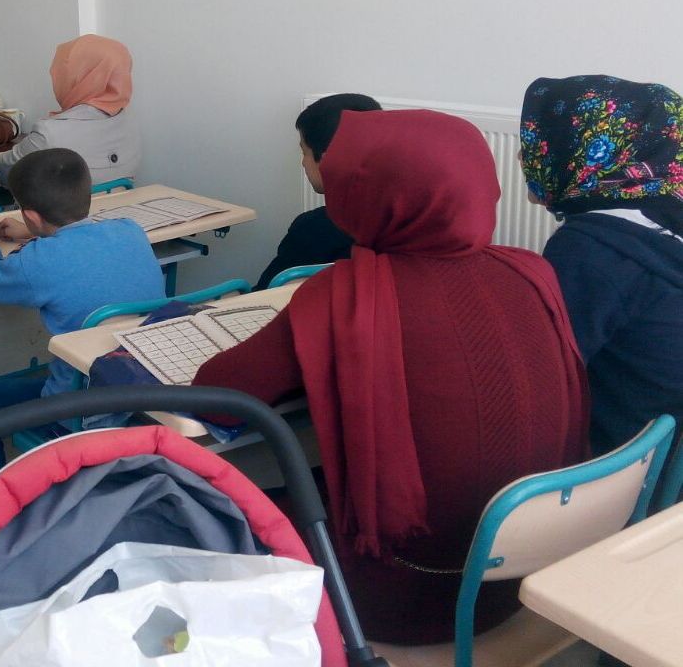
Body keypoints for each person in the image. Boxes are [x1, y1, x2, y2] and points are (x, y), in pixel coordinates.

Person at [193, 109, 588, 645]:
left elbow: (216, 398)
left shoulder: (345, 296)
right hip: (529, 576)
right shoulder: (531, 272)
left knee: (208, 505)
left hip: (408, 596)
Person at [0, 147, 165, 492]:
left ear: (31, 215)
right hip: (140, 388)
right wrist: (34, 234)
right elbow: (79, 247)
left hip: (77, 409)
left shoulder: (38, 262)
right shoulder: (130, 231)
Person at [520, 75, 683, 455]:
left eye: (542, 142)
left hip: (613, 466)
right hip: (665, 460)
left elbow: (538, 378)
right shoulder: (664, 218)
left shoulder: (589, 248)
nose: (523, 159)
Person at [255, 93, 382, 290]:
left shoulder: (313, 228)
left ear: (327, 161)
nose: (303, 163)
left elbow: (265, 292)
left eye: (304, 152)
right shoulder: (411, 223)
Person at [0, 35, 140, 187]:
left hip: (66, 204)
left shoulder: (50, 133)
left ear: (75, 77)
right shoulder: (129, 122)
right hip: (123, 202)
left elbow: (5, 172)